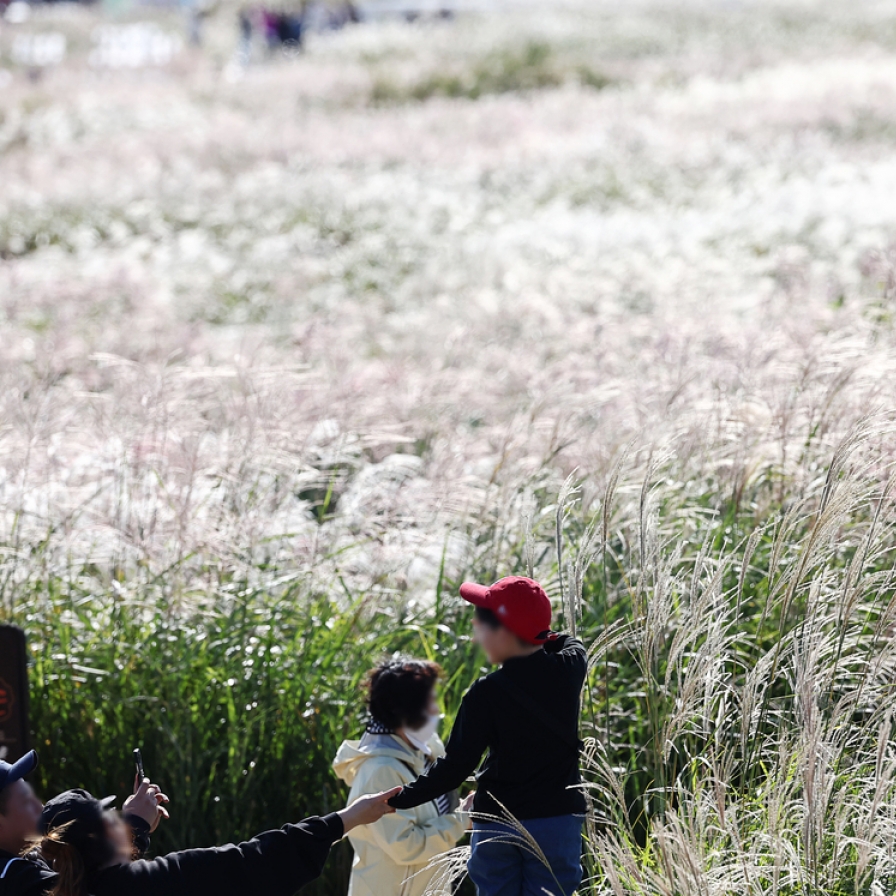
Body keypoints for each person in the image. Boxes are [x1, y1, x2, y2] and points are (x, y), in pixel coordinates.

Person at [389, 576, 588, 896]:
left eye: (482, 623)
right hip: (556, 821)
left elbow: (455, 768)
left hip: (497, 823)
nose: (476, 632)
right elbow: (568, 642)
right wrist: (538, 635)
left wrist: (401, 798)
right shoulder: (570, 668)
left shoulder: (484, 695)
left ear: (504, 633)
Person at [32, 782, 398, 896]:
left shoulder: (38, 882)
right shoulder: (160, 880)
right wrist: (348, 817)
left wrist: (135, 830)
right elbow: (256, 859)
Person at [333, 659, 471, 896]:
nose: (437, 710)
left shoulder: (426, 751)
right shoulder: (380, 771)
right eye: (430, 702)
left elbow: (435, 815)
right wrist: (462, 820)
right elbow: (406, 846)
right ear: (406, 709)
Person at [0, 752, 165, 896]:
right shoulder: (13, 879)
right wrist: (136, 825)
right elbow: (98, 890)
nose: (39, 805)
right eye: (26, 802)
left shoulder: (24, 859)